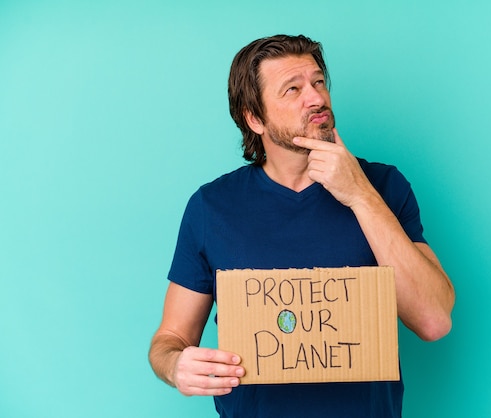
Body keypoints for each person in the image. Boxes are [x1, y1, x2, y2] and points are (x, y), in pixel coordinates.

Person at [149, 34, 455, 417]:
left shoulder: (385, 186)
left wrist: (360, 194)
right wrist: (176, 367)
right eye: (292, 90)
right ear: (254, 118)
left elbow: (433, 320)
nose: (315, 98)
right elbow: (170, 339)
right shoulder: (212, 207)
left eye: (318, 82)